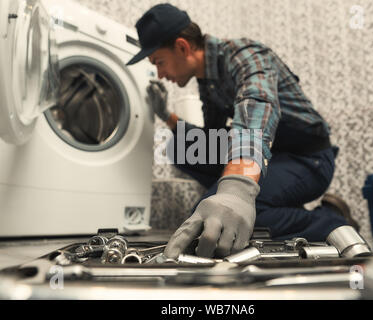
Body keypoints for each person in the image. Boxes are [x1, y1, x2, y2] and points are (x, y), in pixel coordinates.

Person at [126, 4, 359, 259]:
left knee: (217, 222)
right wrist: (167, 116)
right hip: (272, 159)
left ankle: (330, 218)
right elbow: (211, 142)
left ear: (182, 47)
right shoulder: (208, 82)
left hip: (307, 159)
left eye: (159, 62)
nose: (160, 74)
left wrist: (237, 189)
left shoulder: (245, 54)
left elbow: (257, 105)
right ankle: (274, 202)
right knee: (182, 149)